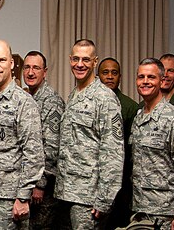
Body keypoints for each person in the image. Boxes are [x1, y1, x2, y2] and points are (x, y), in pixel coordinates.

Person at [0, 40, 44, 229]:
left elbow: (34, 154)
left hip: (9, 198)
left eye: (2, 60)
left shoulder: (23, 102)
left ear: (11, 64)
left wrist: (23, 197)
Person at [54, 39, 123, 230]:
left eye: (86, 59)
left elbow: (113, 152)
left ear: (94, 62)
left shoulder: (105, 98)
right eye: (75, 59)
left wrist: (105, 198)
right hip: (67, 192)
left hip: (89, 197)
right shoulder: (74, 94)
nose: (80, 64)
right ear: (69, 60)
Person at [128, 58, 174, 230]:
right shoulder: (139, 118)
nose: (145, 81)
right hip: (140, 210)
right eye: (141, 77)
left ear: (162, 81)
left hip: (167, 215)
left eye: (151, 77)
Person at [21, 51, 65, 230]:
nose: (31, 72)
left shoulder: (51, 102)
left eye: (36, 68)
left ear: (44, 72)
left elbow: (53, 147)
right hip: (28, 183)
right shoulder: (26, 98)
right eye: (27, 67)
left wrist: (40, 184)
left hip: (43, 190)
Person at [96, 57, 137, 230]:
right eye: (105, 72)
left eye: (114, 73)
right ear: (98, 76)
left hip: (122, 181)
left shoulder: (130, 106)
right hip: (95, 179)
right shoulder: (90, 102)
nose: (110, 77)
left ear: (120, 77)